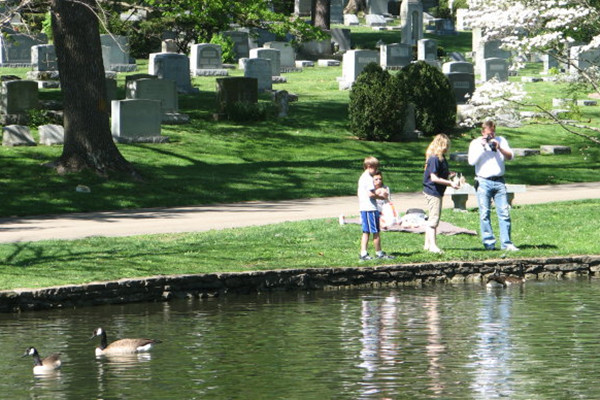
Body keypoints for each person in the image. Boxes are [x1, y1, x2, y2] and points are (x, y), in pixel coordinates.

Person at [468, 120, 519, 251]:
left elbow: (510, 157)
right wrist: (483, 146)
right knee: (484, 213)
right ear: (483, 132)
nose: (491, 136)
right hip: (483, 181)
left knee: (504, 213)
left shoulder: (501, 140)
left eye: (493, 133)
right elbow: (471, 161)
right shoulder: (476, 143)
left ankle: (506, 243)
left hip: (499, 181)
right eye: (489, 134)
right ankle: (489, 243)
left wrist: (499, 147)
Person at [423, 134, 459, 254]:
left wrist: (449, 174)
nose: (447, 148)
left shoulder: (441, 158)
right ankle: (433, 246)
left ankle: (427, 245)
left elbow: (440, 173)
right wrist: (450, 183)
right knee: (434, 220)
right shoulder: (434, 158)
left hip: (438, 191)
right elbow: (434, 177)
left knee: (432, 217)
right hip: (433, 191)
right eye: (446, 146)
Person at [357, 157, 395, 261]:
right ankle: (379, 253)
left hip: (364, 208)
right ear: (369, 167)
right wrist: (381, 197)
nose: (376, 170)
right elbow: (370, 194)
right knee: (376, 232)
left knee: (366, 232)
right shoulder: (368, 178)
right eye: (375, 167)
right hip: (370, 208)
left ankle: (363, 253)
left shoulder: (362, 177)